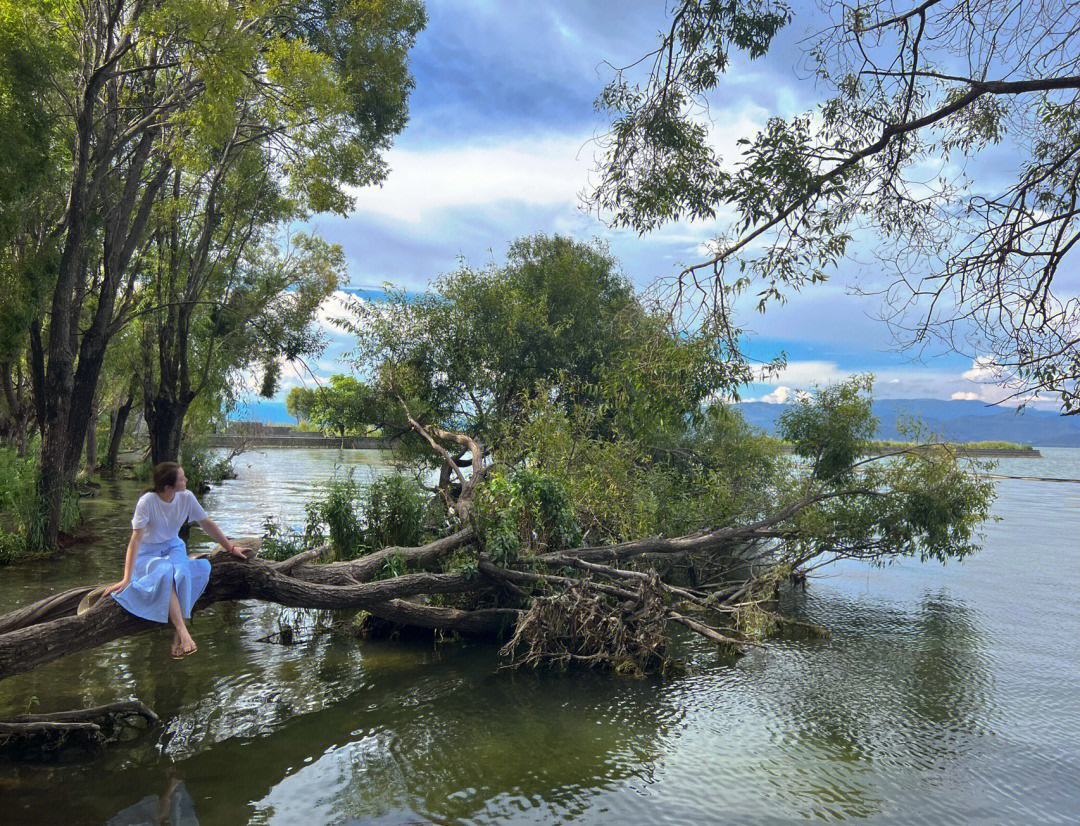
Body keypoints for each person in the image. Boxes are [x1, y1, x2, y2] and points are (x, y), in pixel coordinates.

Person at [103, 462, 249, 659]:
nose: (187, 480)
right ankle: (183, 632)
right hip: (148, 554)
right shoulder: (147, 502)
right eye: (182, 478)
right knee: (165, 573)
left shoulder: (186, 497)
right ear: (168, 487)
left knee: (182, 573)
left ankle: (177, 636)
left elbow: (206, 523)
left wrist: (230, 547)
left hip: (173, 547)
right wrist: (126, 579)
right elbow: (135, 541)